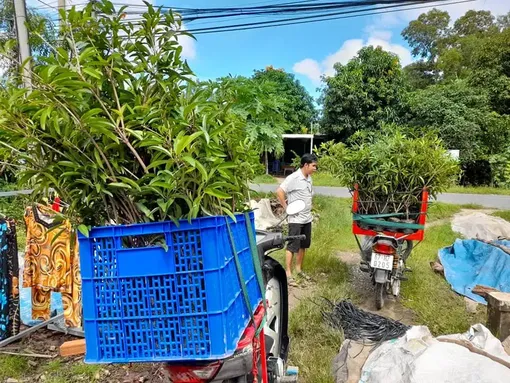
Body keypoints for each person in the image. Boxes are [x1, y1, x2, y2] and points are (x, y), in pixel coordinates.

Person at [276, 153, 317, 286]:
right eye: (313, 166)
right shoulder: (293, 177)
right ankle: (288, 273)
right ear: (305, 165)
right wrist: (287, 207)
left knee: (303, 245)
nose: (315, 168)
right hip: (296, 219)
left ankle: (298, 269)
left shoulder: (309, 178)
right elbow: (280, 191)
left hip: (307, 218)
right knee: (292, 246)